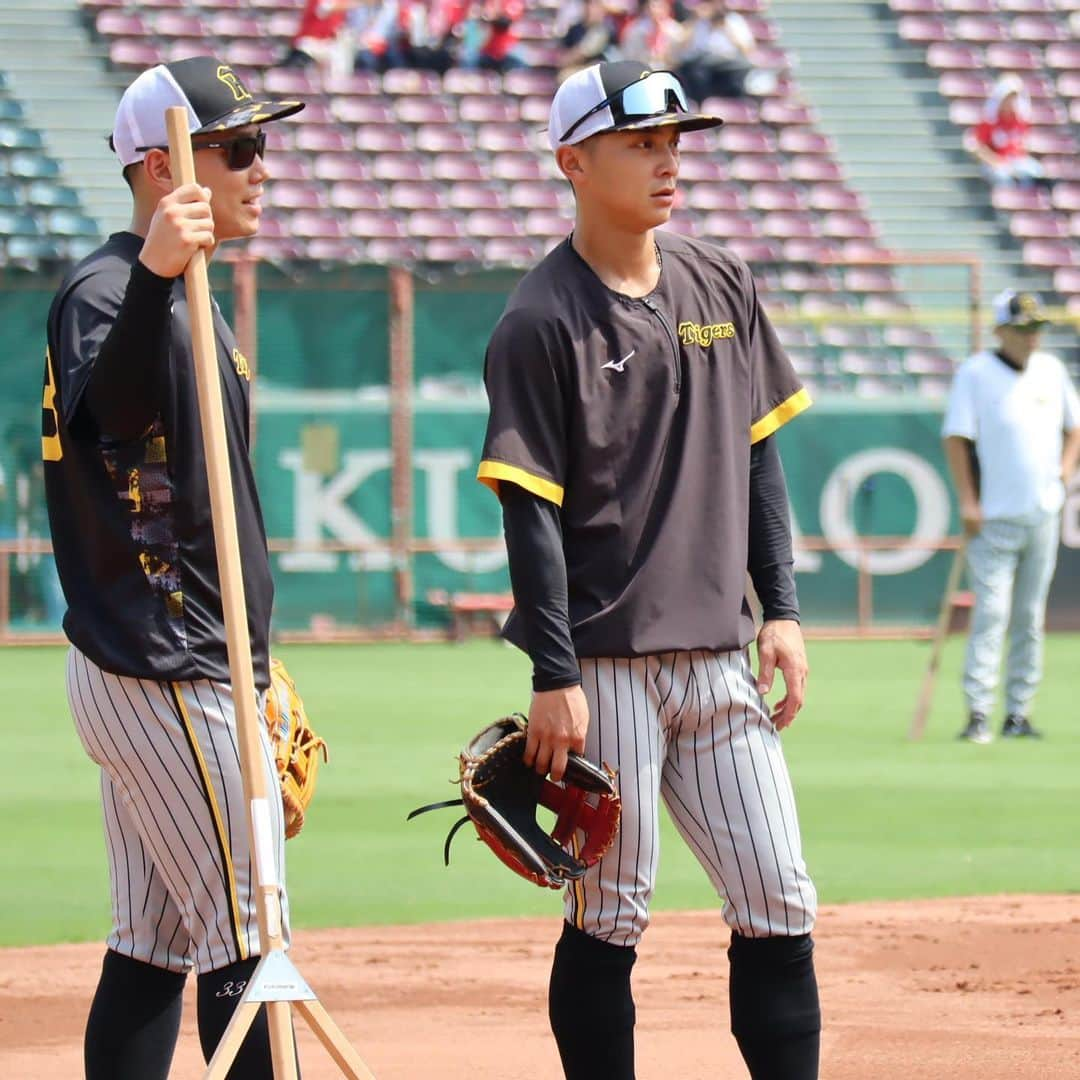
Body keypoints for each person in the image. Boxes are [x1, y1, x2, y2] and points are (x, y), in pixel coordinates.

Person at [477, 60, 821, 1080]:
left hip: (720, 655)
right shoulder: (541, 319)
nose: (669, 161)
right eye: (642, 144)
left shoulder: (724, 283)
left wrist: (784, 608)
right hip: (608, 666)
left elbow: (760, 453)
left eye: (675, 142)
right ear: (572, 162)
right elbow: (527, 510)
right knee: (611, 911)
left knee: (779, 895)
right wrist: (552, 675)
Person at [40, 56, 304, 1078]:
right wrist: (154, 275)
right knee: (250, 941)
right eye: (240, 148)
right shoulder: (112, 288)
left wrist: (260, 663)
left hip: (183, 655)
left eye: (261, 146)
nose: (260, 168)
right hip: (161, 663)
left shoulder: (179, 289)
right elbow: (119, 419)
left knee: (151, 947)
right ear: (162, 165)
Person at [943, 291, 1080, 744]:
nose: (1031, 337)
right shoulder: (976, 373)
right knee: (993, 613)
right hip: (993, 516)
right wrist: (968, 499)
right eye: (1022, 328)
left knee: (1029, 615)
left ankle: (1018, 711)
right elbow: (957, 437)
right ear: (1001, 330)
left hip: (1042, 511)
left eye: (1036, 328)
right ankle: (979, 710)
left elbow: (1074, 427)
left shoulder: (1053, 370)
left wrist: (1062, 475)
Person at [964, 73, 1047, 189]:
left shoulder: (1019, 121)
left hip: (1015, 162)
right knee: (1003, 179)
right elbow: (979, 148)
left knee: (1036, 172)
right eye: (1008, 98)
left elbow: (1022, 146)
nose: (1011, 102)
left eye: (1014, 98)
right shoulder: (990, 121)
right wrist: (997, 161)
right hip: (995, 164)